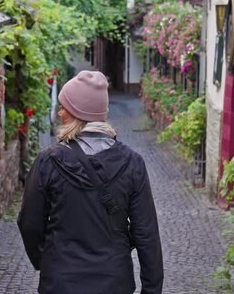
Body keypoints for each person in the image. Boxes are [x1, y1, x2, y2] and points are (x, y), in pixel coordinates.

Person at [18, 70, 164, 294]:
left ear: (76, 113)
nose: (60, 112)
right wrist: (151, 290)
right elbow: (146, 234)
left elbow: (29, 223)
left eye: (64, 107)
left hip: (61, 282)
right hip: (114, 282)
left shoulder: (48, 162)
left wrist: (47, 262)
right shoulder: (133, 163)